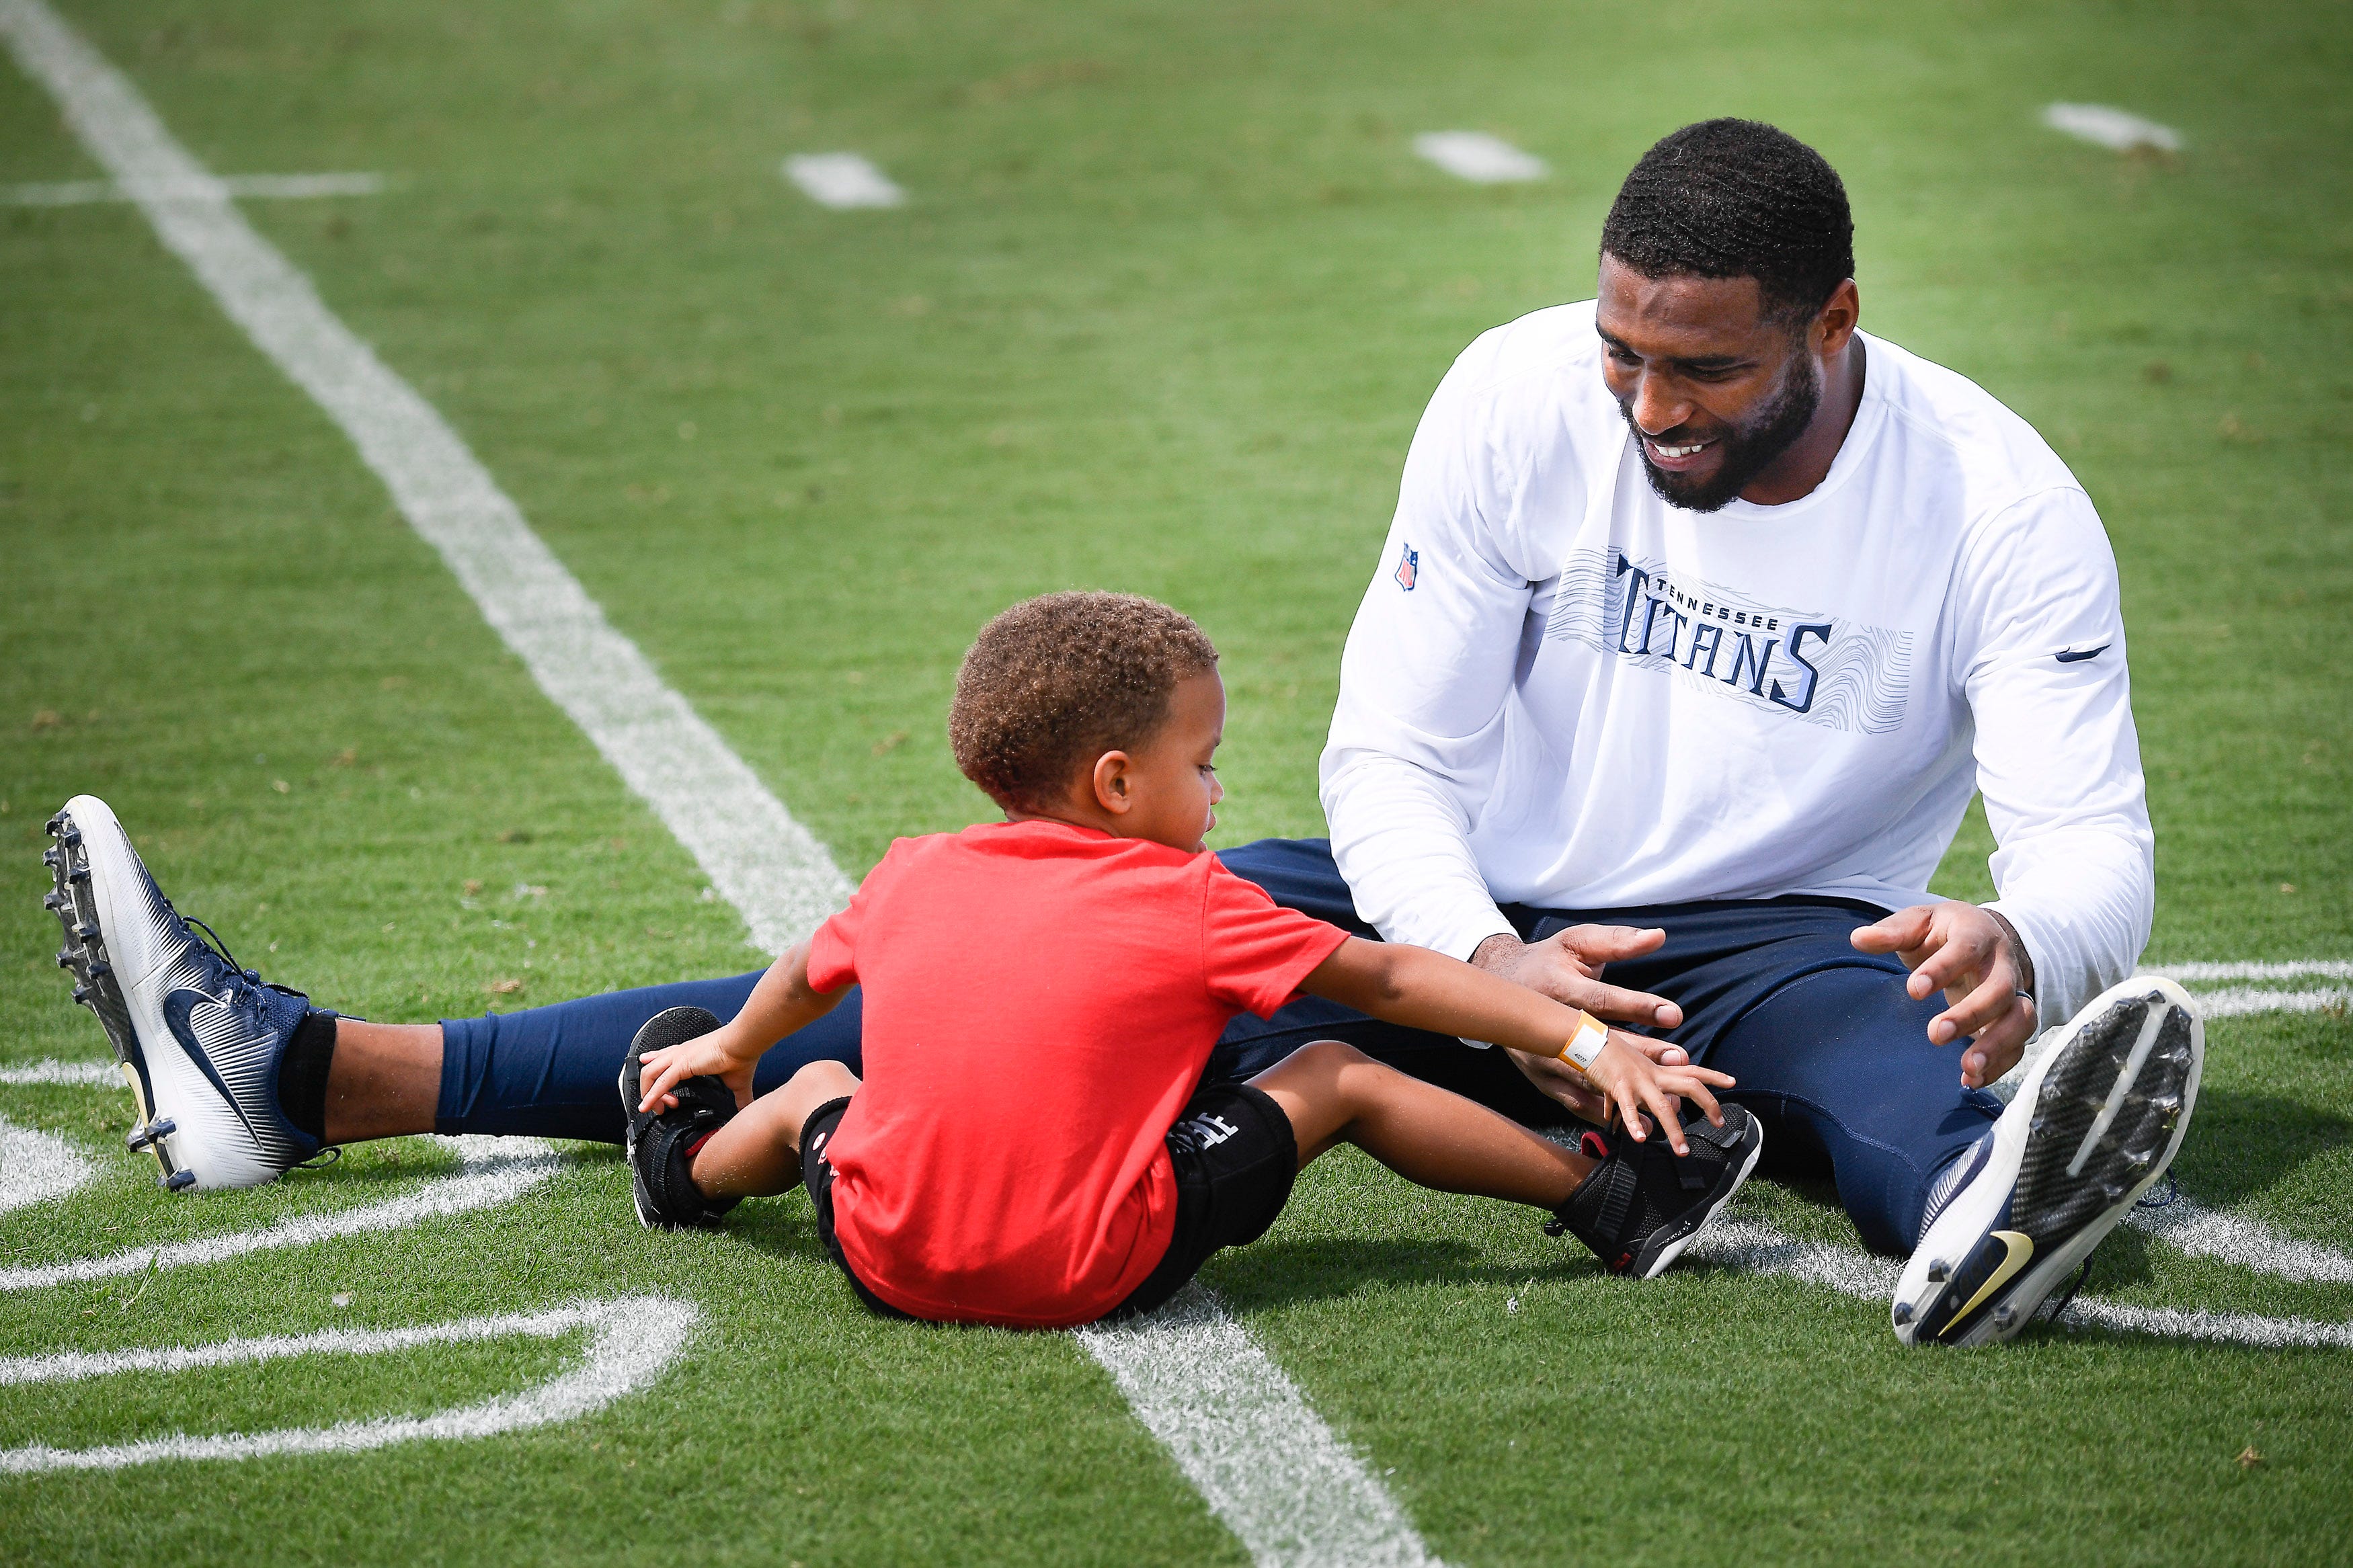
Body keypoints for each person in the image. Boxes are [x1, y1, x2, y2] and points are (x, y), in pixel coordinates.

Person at [42, 118, 2200, 1344]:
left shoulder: (1996, 508)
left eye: (1698, 376)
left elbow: (2090, 837)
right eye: (1623, 354)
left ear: (1834, 323)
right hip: (1424, 901)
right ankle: (307, 1076)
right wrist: (1497, 970)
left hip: (1771, 932)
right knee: (984, 948)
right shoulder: (1515, 390)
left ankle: (1995, 1212)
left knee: (1933, 1068)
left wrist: (2034, 938)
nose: (1639, 409)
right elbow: (1387, 754)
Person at [614, 593, 1759, 1325]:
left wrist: (731, 1043)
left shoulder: (914, 867)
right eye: (1203, 763)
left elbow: (814, 973)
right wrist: (1585, 1036)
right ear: (1116, 781)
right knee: (1338, 1073)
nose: (1219, 791)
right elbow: (1398, 979)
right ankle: (1614, 1199)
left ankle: (685, 1170)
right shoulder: (1191, 895)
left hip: (887, 1253)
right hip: (1087, 1264)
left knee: (817, 1084)